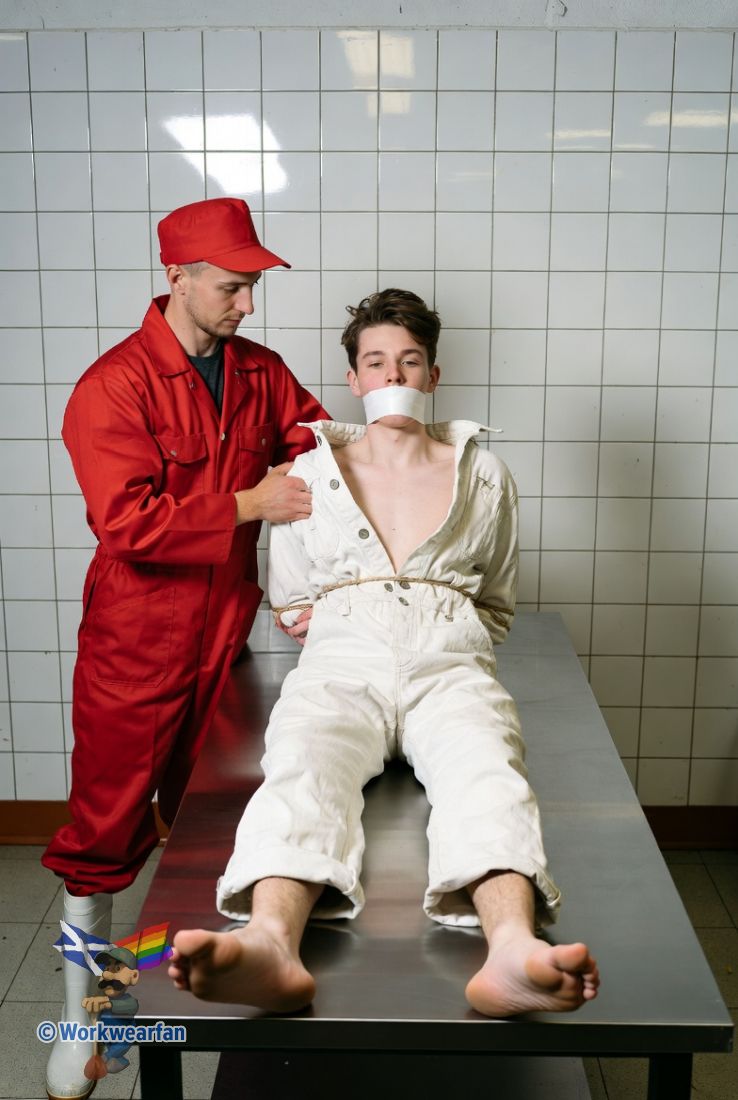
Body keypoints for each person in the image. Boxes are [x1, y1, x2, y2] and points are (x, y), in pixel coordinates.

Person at [169, 288, 600, 1018]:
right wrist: (355, 622)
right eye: (376, 361)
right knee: (303, 763)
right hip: (343, 660)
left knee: (488, 773)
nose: (392, 374)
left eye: (409, 360)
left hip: (450, 659)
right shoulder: (307, 475)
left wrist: (439, 629)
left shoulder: (484, 474)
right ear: (354, 379)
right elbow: (293, 600)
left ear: (433, 375)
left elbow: (496, 599)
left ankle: (512, 950)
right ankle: (270, 943)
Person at [42, 197, 328, 1099]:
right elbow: (126, 522)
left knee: (218, 814)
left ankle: (207, 968)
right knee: (105, 829)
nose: (248, 303)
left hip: (227, 633)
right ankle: (84, 1018)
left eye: (252, 286)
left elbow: (313, 443)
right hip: (139, 638)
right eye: (233, 286)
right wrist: (250, 503)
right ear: (178, 276)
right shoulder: (113, 386)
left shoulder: (259, 371)